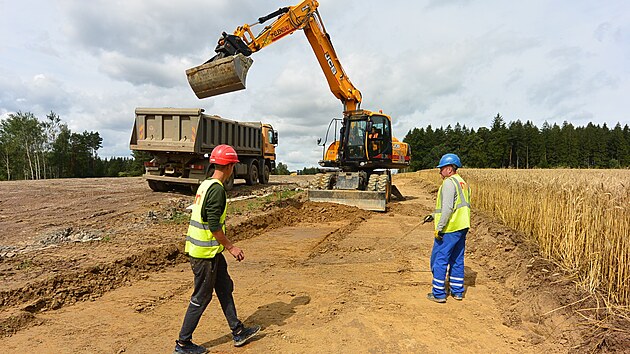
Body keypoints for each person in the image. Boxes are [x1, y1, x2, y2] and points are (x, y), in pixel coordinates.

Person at [174, 144, 260, 354]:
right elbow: (213, 226)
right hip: (204, 255)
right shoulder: (217, 191)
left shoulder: (205, 184)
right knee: (201, 297)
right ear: (230, 166)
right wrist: (231, 247)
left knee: (224, 287)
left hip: (209, 252)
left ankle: (238, 331)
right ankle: (183, 343)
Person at [426, 153, 471, 303]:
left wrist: (439, 227)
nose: (439, 171)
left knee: (440, 259)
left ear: (450, 169)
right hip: (462, 226)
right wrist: (433, 215)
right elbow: (458, 205)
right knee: (457, 259)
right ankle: (457, 291)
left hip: (450, 227)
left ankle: (438, 293)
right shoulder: (462, 182)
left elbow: (447, 208)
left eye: (442, 168)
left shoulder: (448, 183)